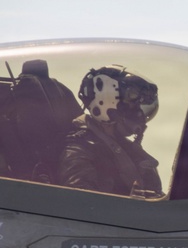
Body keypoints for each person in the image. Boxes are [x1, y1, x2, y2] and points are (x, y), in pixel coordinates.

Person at [56, 65, 163, 197]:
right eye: (132, 105)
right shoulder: (79, 151)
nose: (139, 114)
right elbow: (82, 206)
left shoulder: (126, 148)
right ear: (107, 101)